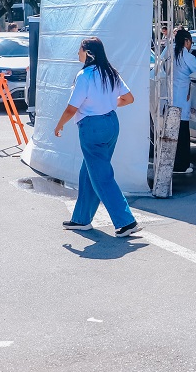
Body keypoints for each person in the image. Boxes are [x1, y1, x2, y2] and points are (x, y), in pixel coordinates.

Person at [55, 37, 141, 237]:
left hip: (92, 127)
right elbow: (129, 98)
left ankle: (126, 221)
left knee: (101, 176)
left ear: (88, 53)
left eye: (80, 50)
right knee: (90, 172)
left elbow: (72, 108)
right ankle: (81, 219)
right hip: (111, 123)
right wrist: (108, 105)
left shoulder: (84, 75)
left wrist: (59, 125)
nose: (78, 53)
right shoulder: (110, 72)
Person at [169, 28, 196, 175]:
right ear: (186, 41)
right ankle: (182, 164)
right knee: (183, 134)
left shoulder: (171, 53)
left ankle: (174, 163)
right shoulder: (187, 56)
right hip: (183, 98)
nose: (190, 46)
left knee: (173, 134)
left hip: (171, 98)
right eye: (190, 43)